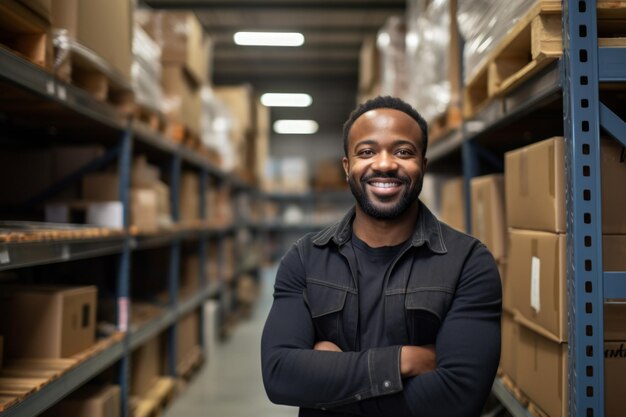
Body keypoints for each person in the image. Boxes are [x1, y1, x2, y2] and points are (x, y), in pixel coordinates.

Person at [261, 96, 502, 417]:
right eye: (367, 152)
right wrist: (405, 360)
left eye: (403, 152)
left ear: (423, 166)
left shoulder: (468, 262)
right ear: (347, 167)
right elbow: (280, 375)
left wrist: (330, 385)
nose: (385, 163)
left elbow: (458, 397)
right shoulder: (305, 259)